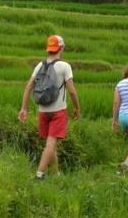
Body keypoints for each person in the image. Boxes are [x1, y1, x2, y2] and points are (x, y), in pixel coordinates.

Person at [18, 35, 81, 179]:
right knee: (51, 143)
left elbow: (28, 87)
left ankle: (56, 174)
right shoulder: (65, 66)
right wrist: (77, 108)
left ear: (49, 49)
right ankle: (40, 174)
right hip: (58, 112)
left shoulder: (40, 65)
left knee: (51, 144)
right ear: (61, 48)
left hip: (43, 111)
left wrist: (23, 108)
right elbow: (71, 90)